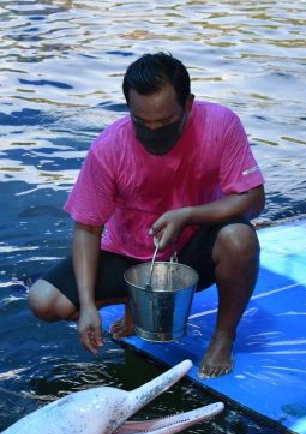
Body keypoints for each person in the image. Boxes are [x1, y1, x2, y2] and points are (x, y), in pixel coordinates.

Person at [28, 52, 265, 378]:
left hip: (191, 248)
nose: (154, 131)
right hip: (127, 252)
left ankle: (223, 337)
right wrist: (87, 308)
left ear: (189, 104)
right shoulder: (109, 146)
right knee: (45, 300)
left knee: (239, 237)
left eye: (166, 122)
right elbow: (87, 228)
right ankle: (135, 303)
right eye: (142, 123)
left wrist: (187, 215)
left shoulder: (221, 124)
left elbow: (254, 200)